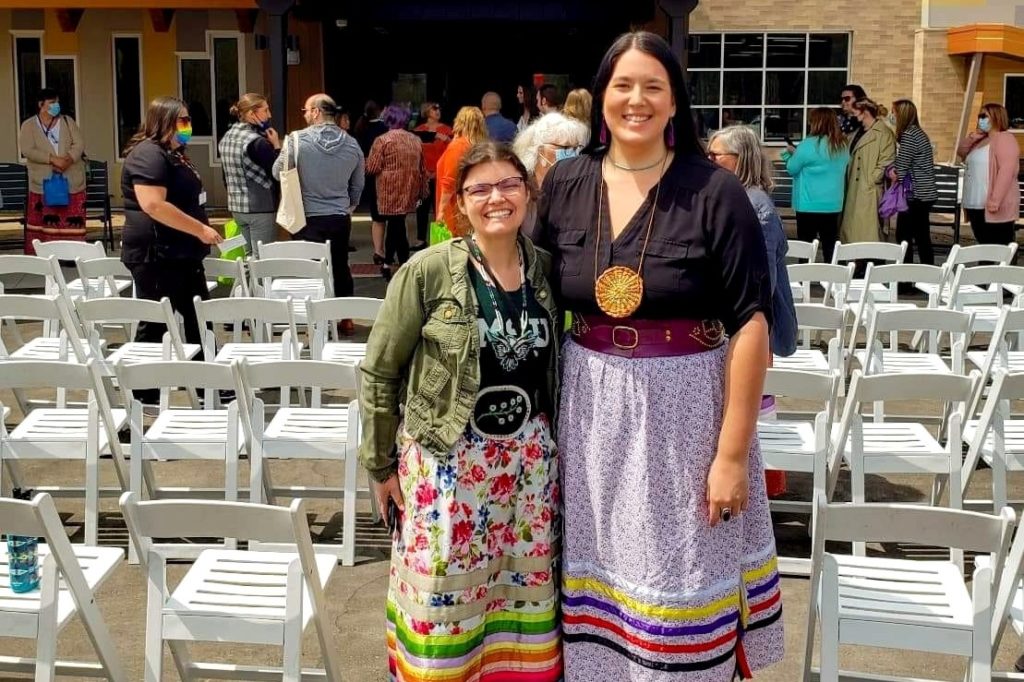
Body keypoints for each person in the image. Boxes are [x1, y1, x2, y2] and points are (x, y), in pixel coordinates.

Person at [536, 31, 783, 680]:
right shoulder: (565, 182)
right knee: (598, 572)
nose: (636, 100)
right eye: (622, 85)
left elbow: (751, 324)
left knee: (681, 582)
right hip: (588, 407)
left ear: (676, 102)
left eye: (653, 86)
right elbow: (523, 292)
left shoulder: (715, 191)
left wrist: (730, 455)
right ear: (601, 97)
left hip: (687, 413)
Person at [360, 141, 562, 681]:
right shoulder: (426, 272)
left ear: (527, 192)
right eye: (480, 189)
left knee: (518, 602)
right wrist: (380, 467)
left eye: (509, 184)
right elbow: (380, 372)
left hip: (526, 468)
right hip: (449, 463)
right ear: (460, 203)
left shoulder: (546, 269)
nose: (497, 197)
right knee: (443, 602)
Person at [709, 125, 798, 498]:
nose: (709, 161)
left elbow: (759, 284)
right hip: (741, 328)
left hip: (748, 329)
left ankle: (760, 488)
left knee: (751, 412)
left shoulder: (754, 205)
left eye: (717, 156)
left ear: (740, 159)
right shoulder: (740, 199)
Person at [120, 96, 223, 366]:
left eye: (189, 120)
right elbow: (153, 204)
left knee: (197, 316)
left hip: (182, 253)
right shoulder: (149, 154)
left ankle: (208, 378)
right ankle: (144, 389)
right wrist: (199, 228)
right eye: (183, 120)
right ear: (164, 121)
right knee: (157, 321)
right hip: (158, 254)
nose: (188, 126)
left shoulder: (173, 154)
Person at [272, 93, 364, 329]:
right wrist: (348, 206)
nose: (304, 115)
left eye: (305, 110)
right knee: (340, 265)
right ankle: (345, 317)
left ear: (315, 111)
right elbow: (358, 185)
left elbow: (277, 172)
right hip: (339, 216)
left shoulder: (295, 140)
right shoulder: (352, 144)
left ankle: (315, 319)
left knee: (310, 270)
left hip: (306, 216)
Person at [19, 87, 87, 254]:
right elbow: (28, 149)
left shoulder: (67, 121)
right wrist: (51, 159)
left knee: (72, 218)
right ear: (41, 104)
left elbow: (79, 144)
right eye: (52, 102)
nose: (56, 105)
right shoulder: (28, 125)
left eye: (57, 102)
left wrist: (68, 159)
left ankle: (72, 254)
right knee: (44, 220)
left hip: (71, 179)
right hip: (43, 181)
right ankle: (45, 254)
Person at [782, 106, 850, 264]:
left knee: (806, 247)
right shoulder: (842, 145)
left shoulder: (807, 145)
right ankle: (834, 280)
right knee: (831, 245)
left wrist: (789, 155)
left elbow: (792, 168)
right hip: (833, 204)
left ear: (816, 123)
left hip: (808, 204)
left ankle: (806, 279)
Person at [366, 104, 427, 274]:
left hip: (388, 190)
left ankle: (398, 263)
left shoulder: (383, 140)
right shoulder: (415, 140)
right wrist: (422, 190)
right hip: (409, 188)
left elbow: (372, 167)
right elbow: (423, 168)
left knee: (395, 224)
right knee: (398, 224)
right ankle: (394, 262)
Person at [218, 92, 281, 256]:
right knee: (263, 259)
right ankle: (259, 283)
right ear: (252, 114)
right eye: (265, 110)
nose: (269, 115)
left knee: (248, 257)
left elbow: (225, 175)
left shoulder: (227, 137)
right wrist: (276, 146)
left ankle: (247, 283)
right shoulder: (257, 142)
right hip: (260, 206)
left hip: (237, 206)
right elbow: (277, 172)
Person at [512, 112, 590, 238]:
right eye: (565, 148)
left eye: (577, 148)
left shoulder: (578, 187)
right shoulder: (521, 189)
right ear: (540, 150)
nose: (573, 154)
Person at [957, 102, 1022, 247]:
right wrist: (974, 136)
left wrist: (995, 200)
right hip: (975, 203)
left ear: (996, 117)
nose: (980, 119)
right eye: (979, 116)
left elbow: (1007, 170)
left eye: (984, 116)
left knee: (997, 247)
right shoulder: (980, 140)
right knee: (984, 244)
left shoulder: (1005, 138)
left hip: (993, 205)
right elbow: (961, 152)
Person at [887, 99, 937, 265]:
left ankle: (905, 279)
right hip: (925, 193)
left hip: (915, 195)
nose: (891, 115)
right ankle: (929, 273)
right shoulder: (918, 133)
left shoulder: (909, 135)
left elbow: (901, 168)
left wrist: (888, 171)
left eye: (893, 112)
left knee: (904, 237)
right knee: (922, 236)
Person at [840, 98, 896, 245]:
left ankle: (869, 263)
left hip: (868, 191)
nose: (852, 114)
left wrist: (872, 179)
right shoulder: (856, 133)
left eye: (855, 111)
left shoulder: (884, 133)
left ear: (864, 112)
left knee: (868, 233)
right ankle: (856, 263)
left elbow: (887, 161)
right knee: (852, 232)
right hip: (853, 188)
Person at [436, 106, 489, 235]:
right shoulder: (478, 146)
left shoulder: (458, 146)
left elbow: (449, 182)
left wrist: (441, 211)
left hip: (454, 211)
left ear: (460, 122)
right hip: (470, 205)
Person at [412, 101, 453, 251]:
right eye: (434, 108)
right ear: (426, 111)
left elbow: (451, 152)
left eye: (439, 108)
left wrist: (437, 172)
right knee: (421, 208)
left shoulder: (448, 130)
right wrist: (424, 172)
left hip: (440, 175)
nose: (438, 110)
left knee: (439, 208)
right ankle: (420, 239)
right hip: (423, 175)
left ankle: (440, 238)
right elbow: (415, 154)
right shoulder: (418, 131)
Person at [356, 101, 390, 270]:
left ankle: (378, 250)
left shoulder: (360, 129)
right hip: (386, 177)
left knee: (376, 218)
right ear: (382, 111)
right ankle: (389, 252)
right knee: (390, 216)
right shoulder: (385, 130)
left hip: (369, 177)